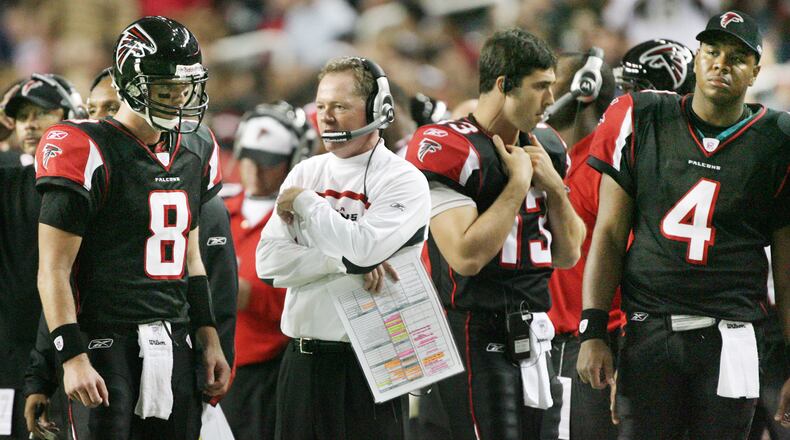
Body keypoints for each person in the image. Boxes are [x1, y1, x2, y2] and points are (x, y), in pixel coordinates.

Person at [577, 10, 790, 439]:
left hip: (732, 335)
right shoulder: (640, 115)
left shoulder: (778, 138)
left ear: (755, 72)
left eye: (736, 57)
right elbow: (610, 233)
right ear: (695, 59)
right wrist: (594, 328)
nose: (720, 64)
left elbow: (787, 270)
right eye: (711, 52)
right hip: (649, 329)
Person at [34, 16, 229, 439]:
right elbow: (53, 269)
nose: (178, 99)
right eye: (165, 89)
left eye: (185, 88)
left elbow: (190, 257)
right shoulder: (84, 146)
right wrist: (71, 355)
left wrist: (208, 335)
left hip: (176, 337)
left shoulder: (197, 147)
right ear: (131, 82)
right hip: (105, 342)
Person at [405, 28, 586, 440]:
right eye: (540, 87)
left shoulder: (548, 148)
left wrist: (555, 189)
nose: (550, 101)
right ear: (503, 85)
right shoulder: (448, 146)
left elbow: (569, 253)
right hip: (474, 330)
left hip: (537, 331)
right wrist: (518, 184)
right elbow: (466, 256)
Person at [256, 56, 430, 440]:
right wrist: (340, 262)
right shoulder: (306, 171)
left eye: (340, 106)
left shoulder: (405, 180)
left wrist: (305, 203)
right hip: (302, 360)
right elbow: (268, 264)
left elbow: (360, 250)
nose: (326, 117)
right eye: (321, 106)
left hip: (375, 360)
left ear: (379, 109)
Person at [0, 73, 86, 439]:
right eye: (22, 117)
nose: (31, 124)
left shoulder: (93, 183)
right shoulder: (7, 184)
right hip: (10, 357)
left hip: (75, 355)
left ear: (73, 115)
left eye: (43, 113)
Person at [220, 101, 311, 440]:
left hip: (267, 373)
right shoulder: (217, 210)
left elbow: (294, 302)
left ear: (293, 161)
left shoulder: (304, 221)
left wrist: (234, 289)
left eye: (268, 161)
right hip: (214, 368)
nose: (255, 170)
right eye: (248, 156)